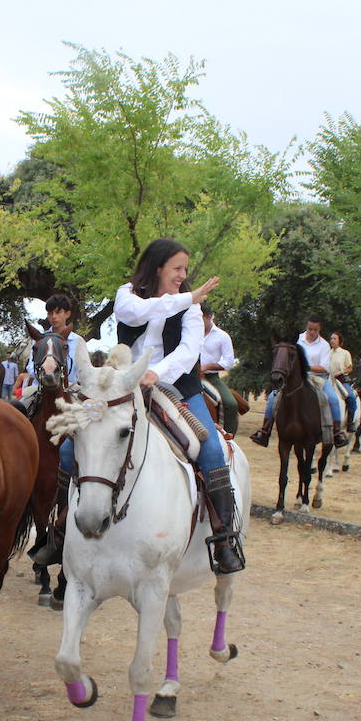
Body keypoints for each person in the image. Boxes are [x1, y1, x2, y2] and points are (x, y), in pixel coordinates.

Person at [114, 237, 243, 574]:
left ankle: (224, 539)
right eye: (177, 268)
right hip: (128, 383)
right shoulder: (127, 294)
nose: (182, 274)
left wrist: (157, 373)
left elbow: (188, 352)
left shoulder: (192, 307)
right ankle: (61, 528)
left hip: (177, 387)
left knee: (212, 450)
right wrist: (185, 297)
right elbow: (139, 313)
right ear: (158, 267)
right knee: (75, 442)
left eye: (185, 269)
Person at [31, 293, 85, 565]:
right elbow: (32, 367)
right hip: (40, 386)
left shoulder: (77, 342)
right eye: (50, 311)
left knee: (91, 423)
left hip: (71, 390)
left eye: (59, 311)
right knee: (18, 408)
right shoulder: (41, 338)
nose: (54, 316)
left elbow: (81, 372)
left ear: (67, 315)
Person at [249, 315, 347, 450]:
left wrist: (306, 367)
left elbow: (325, 367)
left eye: (315, 330)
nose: (312, 332)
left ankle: (337, 433)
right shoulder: (297, 340)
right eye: (310, 329)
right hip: (296, 377)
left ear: (319, 329)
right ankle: (265, 430)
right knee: (273, 397)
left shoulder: (324, 345)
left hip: (318, 378)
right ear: (307, 327)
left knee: (332, 398)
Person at [200, 304, 239, 434]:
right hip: (190, 376)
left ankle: (229, 436)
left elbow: (228, 362)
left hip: (211, 378)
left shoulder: (222, 336)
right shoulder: (191, 332)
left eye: (200, 318)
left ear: (209, 317)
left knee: (231, 403)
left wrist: (207, 366)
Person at [327, 330, 357, 431]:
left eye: (334, 338)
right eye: (331, 338)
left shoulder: (345, 353)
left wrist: (340, 372)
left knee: (351, 396)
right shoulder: (327, 353)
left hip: (340, 379)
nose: (332, 340)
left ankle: (350, 422)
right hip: (327, 379)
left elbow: (349, 368)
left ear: (339, 340)